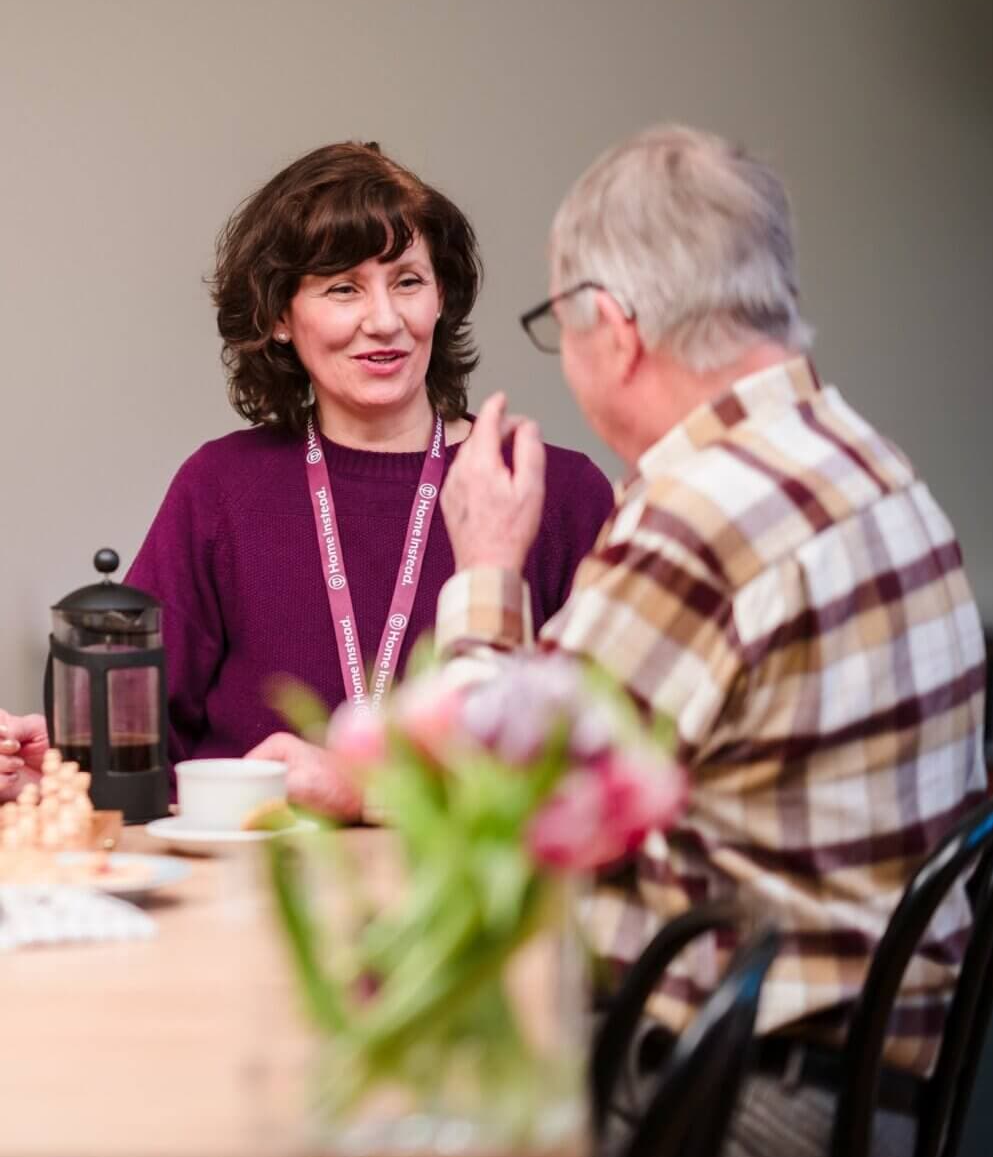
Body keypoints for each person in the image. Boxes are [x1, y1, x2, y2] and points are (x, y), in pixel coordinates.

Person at [429, 124, 986, 1157]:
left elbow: (486, 811)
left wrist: (487, 568)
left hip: (738, 1105)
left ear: (614, 325)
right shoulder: (866, 459)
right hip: (878, 1091)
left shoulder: (703, 514)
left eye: (560, 321)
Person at [0, 142, 612, 810]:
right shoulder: (220, 489)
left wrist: (361, 790)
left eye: (408, 280)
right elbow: (140, 758)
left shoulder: (550, 491)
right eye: (343, 288)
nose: (384, 320)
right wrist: (58, 782)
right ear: (280, 318)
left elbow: (608, 774)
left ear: (442, 296)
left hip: (472, 904)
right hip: (236, 897)